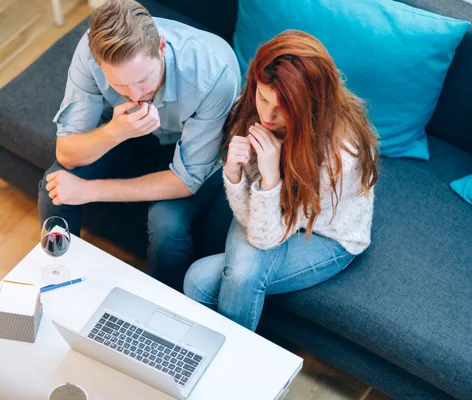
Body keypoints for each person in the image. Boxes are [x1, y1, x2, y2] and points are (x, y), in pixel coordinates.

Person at [183, 31, 379, 331]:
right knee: (197, 280)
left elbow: (265, 237)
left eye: (283, 108)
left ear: (309, 105)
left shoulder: (341, 153)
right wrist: (235, 175)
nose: (268, 116)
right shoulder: (253, 107)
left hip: (326, 234)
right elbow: (254, 219)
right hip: (273, 211)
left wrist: (271, 176)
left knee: (221, 277)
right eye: (263, 98)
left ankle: (230, 365)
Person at [38, 0, 240, 291]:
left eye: (143, 80)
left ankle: (163, 308)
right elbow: (66, 154)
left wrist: (89, 191)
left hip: (189, 147)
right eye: (119, 85)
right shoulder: (90, 51)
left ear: (160, 46)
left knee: (167, 227)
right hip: (126, 131)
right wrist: (115, 132)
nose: (134, 95)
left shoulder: (214, 73)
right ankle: (60, 280)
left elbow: (185, 181)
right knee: (54, 187)